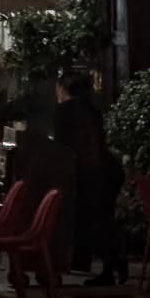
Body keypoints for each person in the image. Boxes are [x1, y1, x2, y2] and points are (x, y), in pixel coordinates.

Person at [54, 69, 124, 286]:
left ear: (63, 89)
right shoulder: (92, 110)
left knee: (93, 223)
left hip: (88, 175)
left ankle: (111, 268)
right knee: (103, 220)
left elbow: (62, 148)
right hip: (106, 171)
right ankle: (113, 266)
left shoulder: (65, 112)